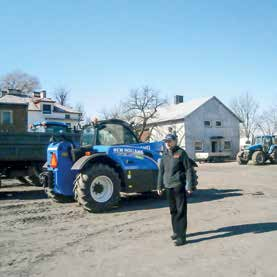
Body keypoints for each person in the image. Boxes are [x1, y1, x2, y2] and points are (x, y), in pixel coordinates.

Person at [157, 133, 192, 246]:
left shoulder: (181, 153)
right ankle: (176, 231)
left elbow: (188, 170)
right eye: (166, 141)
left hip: (178, 185)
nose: (167, 143)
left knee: (181, 211)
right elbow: (161, 171)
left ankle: (182, 237)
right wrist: (159, 186)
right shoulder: (165, 154)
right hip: (168, 186)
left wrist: (189, 185)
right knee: (173, 211)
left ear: (175, 141)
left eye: (169, 141)